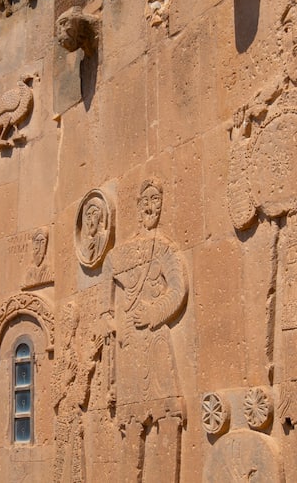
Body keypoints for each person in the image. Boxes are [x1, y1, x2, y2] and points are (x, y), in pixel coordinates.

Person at [105, 179, 187, 482]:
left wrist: (154, 312)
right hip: (131, 347)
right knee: (132, 423)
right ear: (139, 207)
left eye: (157, 200)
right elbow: (108, 279)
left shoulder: (164, 249)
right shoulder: (121, 254)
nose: (153, 206)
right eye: (147, 200)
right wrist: (109, 320)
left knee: (167, 415)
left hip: (155, 340)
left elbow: (178, 288)